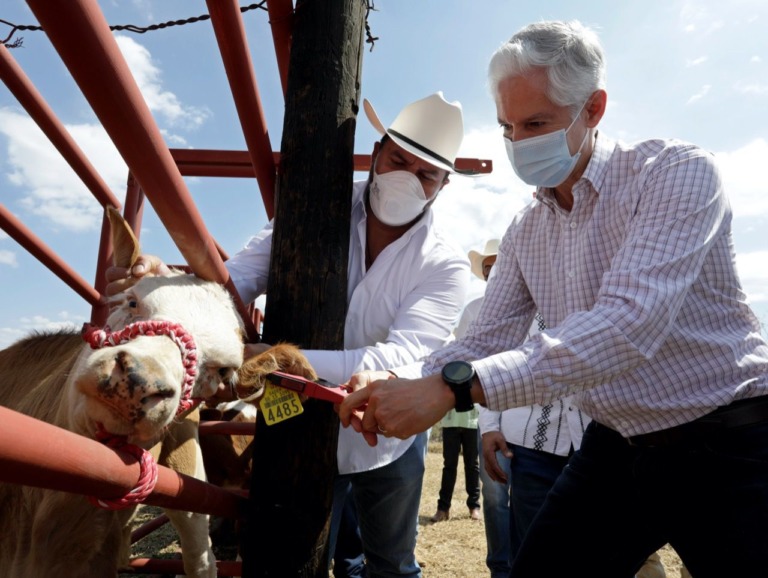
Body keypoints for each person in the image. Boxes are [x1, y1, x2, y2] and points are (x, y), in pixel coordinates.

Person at [339, 20, 768, 578]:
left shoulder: (675, 173)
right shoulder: (527, 229)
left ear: (593, 109)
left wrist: (451, 388)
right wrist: (403, 380)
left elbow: (626, 327)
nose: (519, 142)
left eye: (536, 123)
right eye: (507, 126)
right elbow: (483, 338)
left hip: (727, 438)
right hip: (616, 443)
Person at [107, 92, 473, 578]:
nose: (407, 178)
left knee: (392, 560)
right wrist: (163, 283)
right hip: (297, 426)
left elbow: (404, 354)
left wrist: (279, 362)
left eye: (426, 173)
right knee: (312, 555)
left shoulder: (445, 262)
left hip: (385, 435)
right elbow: (234, 280)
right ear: (378, 151)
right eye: (399, 159)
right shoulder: (314, 210)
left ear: (443, 185)